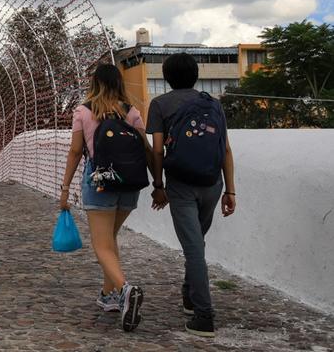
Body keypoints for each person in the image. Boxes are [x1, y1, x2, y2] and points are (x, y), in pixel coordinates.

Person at [146, 52, 236, 338]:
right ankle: (188, 293)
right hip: (213, 182)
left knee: (193, 248)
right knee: (197, 243)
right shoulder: (212, 104)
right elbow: (225, 149)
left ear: (167, 77)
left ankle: (204, 315)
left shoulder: (160, 104)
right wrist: (230, 188)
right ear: (196, 75)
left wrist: (158, 185)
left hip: (181, 184)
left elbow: (158, 150)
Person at [60, 64, 147, 332]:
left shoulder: (84, 111)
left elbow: (76, 152)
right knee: (109, 241)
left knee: (101, 245)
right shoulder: (131, 111)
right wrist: (159, 184)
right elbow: (145, 147)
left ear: (95, 83)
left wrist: (64, 190)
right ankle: (108, 296)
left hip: (99, 182)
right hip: (130, 184)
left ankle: (125, 290)